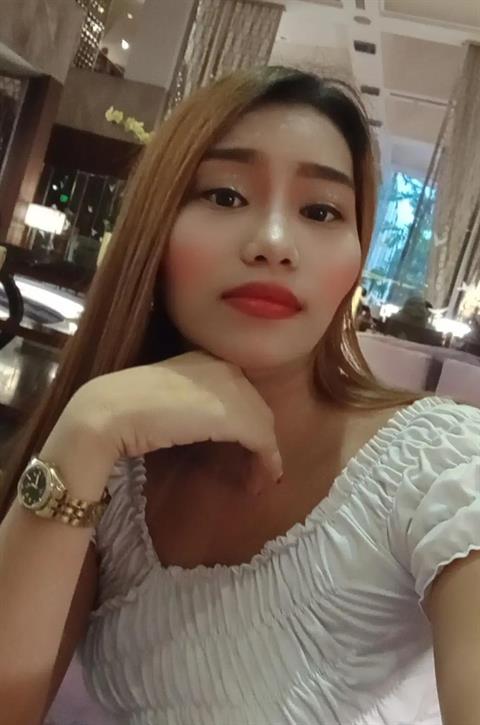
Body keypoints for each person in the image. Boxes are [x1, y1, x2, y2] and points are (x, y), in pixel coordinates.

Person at [0, 66, 479, 725]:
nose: (274, 244)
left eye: (320, 211)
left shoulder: (442, 467)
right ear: (156, 228)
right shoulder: (116, 474)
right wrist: (87, 425)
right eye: (225, 196)